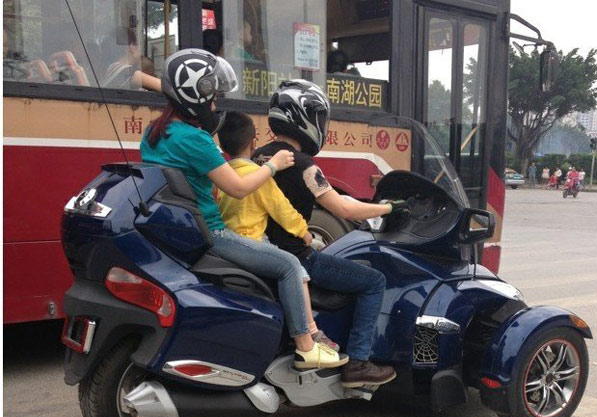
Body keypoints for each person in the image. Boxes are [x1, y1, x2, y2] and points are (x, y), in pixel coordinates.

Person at [140, 49, 346, 369]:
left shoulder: (153, 133)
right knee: (289, 264)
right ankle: (307, 346)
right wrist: (273, 166)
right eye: (212, 99)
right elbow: (237, 187)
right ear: (195, 99)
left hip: (178, 227)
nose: (214, 106)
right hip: (212, 232)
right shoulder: (196, 140)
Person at [253, 79, 405, 388]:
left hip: (262, 252)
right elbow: (344, 209)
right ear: (305, 118)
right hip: (296, 257)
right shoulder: (302, 165)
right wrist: (389, 209)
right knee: (374, 281)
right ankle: (359, 363)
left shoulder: (258, 157)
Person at [217, 110, 340, 351]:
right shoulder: (258, 177)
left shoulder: (224, 175)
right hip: (253, 240)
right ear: (253, 142)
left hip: (228, 239)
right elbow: (283, 211)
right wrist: (305, 233)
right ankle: (310, 335)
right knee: (296, 271)